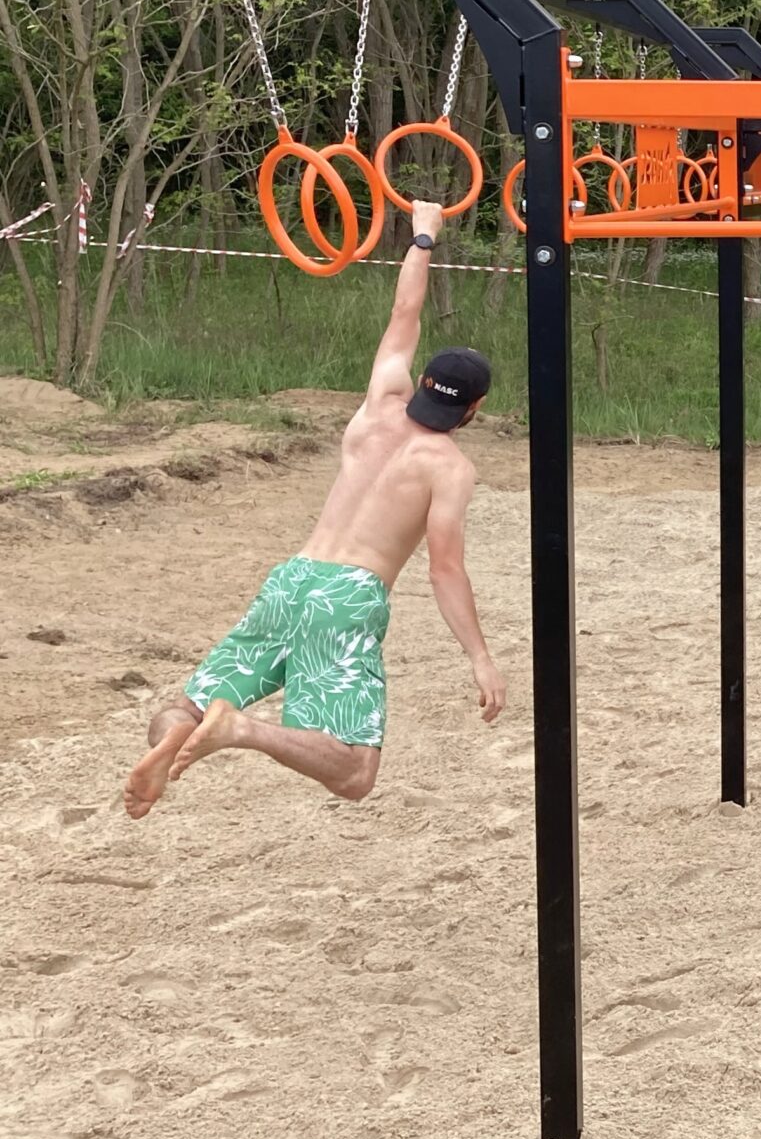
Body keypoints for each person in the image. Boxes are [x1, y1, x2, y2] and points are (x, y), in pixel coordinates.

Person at [123, 199, 505, 817]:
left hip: (293, 578)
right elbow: (445, 570)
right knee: (354, 772)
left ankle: (174, 738)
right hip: (347, 597)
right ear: (475, 408)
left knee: (187, 706)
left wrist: (424, 235)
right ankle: (242, 729)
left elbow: (404, 311)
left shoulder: (378, 405)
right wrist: (480, 658)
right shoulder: (450, 468)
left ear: (422, 383)